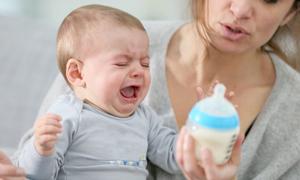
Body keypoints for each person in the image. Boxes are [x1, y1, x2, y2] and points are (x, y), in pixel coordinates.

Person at [2, 0, 300, 179]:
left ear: (290, 12)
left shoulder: (292, 111)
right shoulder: (109, 45)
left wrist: (203, 150)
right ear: (77, 73)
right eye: (124, 63)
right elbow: (35, 161)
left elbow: (173, 151)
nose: (241, 8)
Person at [15, 4, 181, 180]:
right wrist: (41, 151)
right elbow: (36, 176)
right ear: (77, 73)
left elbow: (172, 156)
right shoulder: (68, 114)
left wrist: (200, 132)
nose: (139, 71)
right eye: (121, 63)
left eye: (145, 63)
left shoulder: (145, 118)